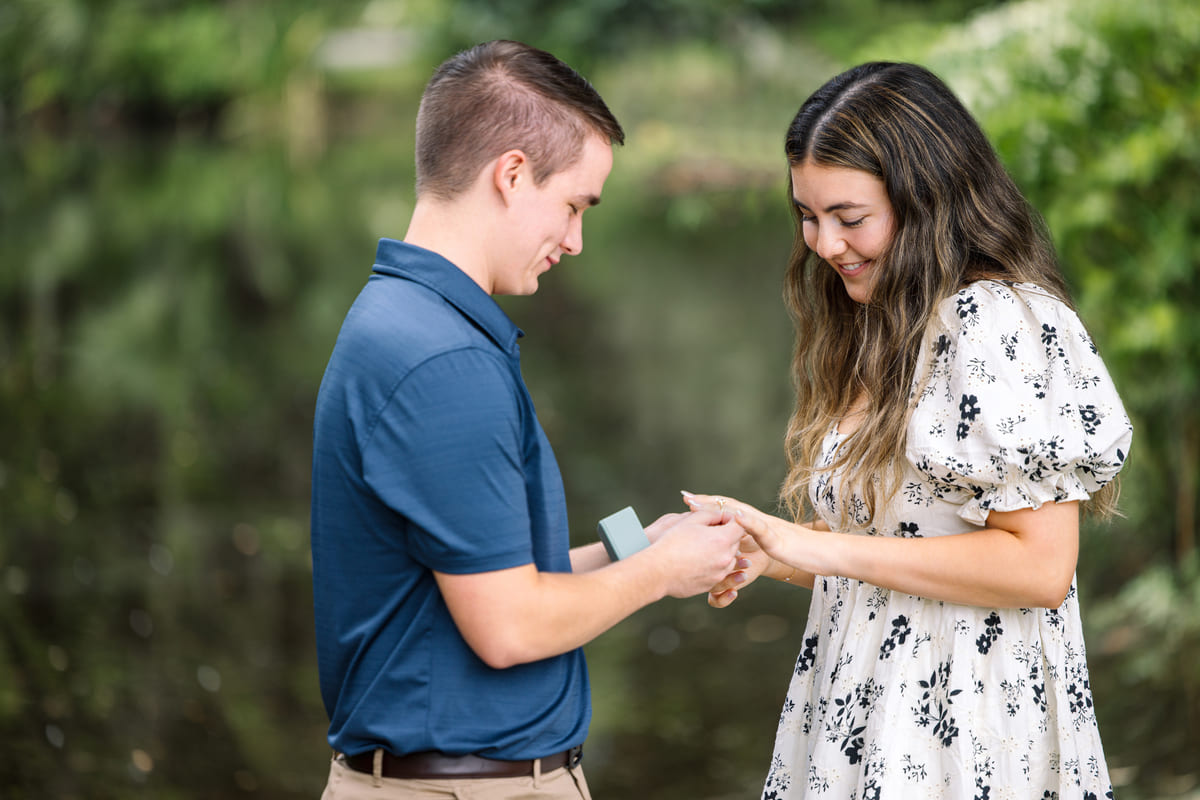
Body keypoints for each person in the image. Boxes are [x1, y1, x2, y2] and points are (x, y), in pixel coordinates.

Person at [310, 40, 745, 800]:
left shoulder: (407, 318)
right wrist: (661, 572)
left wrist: (640, 546)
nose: (575, 240)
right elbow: (509, 627)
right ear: (511, 175)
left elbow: (488, 581)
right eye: (574, 205)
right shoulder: (442, 361)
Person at [685, 61, 1132, 799]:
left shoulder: (991, 323)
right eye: (808, 214)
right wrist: (772, 550)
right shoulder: (880, 325)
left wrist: (815, 544)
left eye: (850, 217)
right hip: (864, 707)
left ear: (928, 199)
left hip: (964, 725)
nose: (825, 244)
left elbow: (1039, 570)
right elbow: (902, 559)